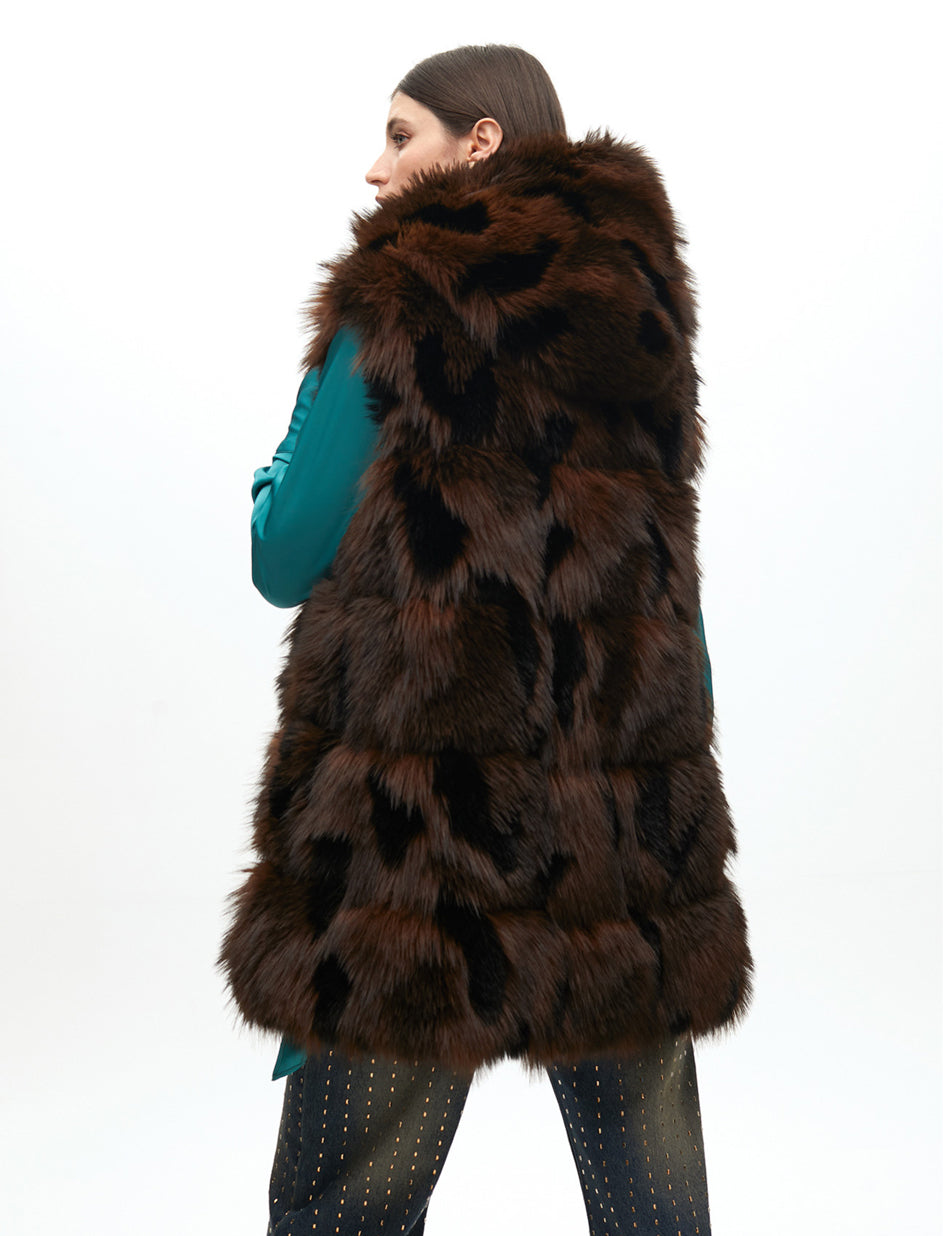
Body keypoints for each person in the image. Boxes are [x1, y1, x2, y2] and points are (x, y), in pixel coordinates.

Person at [217, 44, 754, 1236]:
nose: (374, 170)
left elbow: (283, 551)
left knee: (345, 1204)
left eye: (399, 134)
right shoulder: (638, 319)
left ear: (480, 141)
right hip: (612, 828)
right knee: (651, 1204)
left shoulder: (398, 302)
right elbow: (668, 580)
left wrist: (275, 466)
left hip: (422, 837)